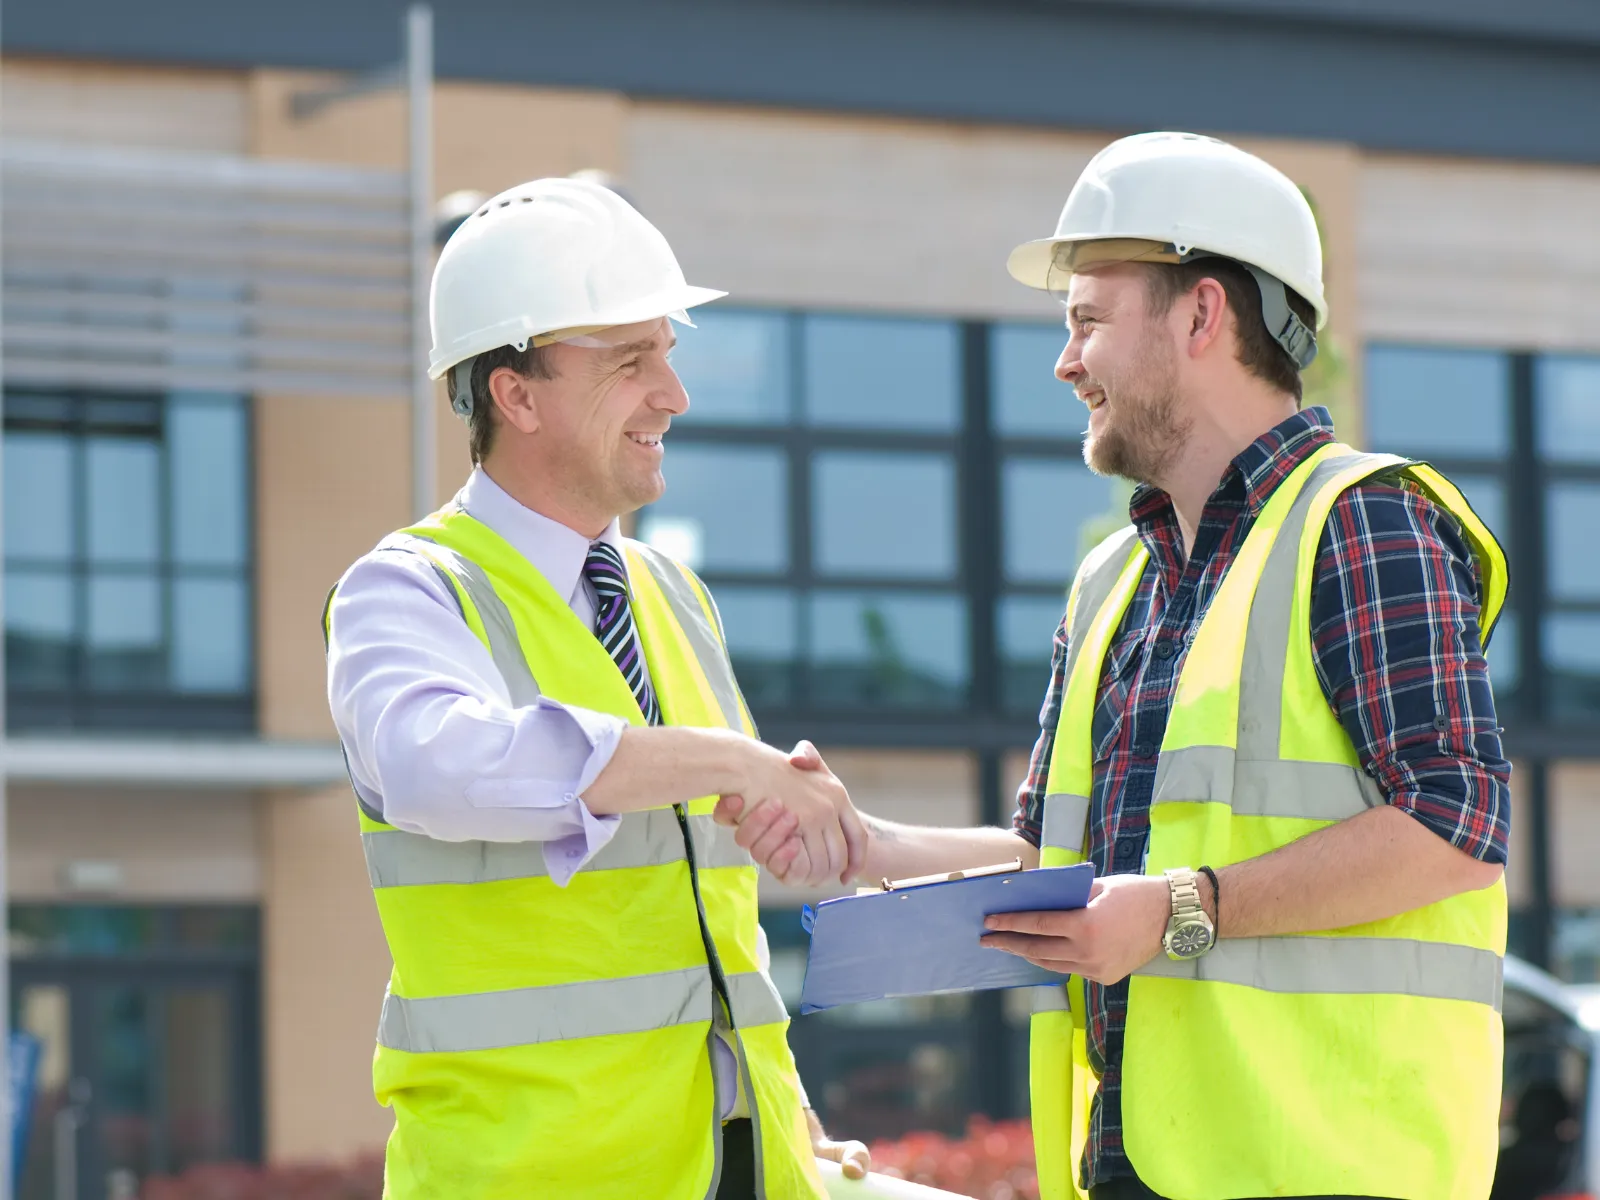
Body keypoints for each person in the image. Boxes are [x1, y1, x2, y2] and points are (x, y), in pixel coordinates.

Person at [722, 133, 1511, 1200]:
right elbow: (1055, 856)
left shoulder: (1363, 523)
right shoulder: (1113, 581)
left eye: (1087, 321)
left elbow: (1455, 826)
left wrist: (1183, 907)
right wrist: (868, 845)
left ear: (1201, 315)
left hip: (1333, 1169)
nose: (1065, 361)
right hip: (1140, 1160)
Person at [324, 176, 869, 1199]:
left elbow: (712, 910)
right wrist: (730, 760)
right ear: (516, 395)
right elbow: (436, 768)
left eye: (668, 350)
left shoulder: (674, 595)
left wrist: (779, 1112)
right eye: (630, 361)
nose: (674, 393)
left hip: (734, 1166)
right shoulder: (407, 591)